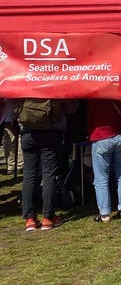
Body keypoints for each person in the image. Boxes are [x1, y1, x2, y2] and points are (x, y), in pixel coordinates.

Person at [19, 98, 72, 231]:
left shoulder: (27, 81)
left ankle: (29, 218)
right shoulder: (56, 84)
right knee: (49, 174)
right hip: (51, 133)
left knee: (29, 174)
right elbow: (72, 108)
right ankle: (48, 217)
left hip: (28, 131)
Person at [87, 99, 121, 222]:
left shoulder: (95, 97)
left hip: (100, 136)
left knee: (101, 178)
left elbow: (89, 117)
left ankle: (105, 214)